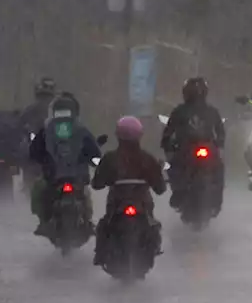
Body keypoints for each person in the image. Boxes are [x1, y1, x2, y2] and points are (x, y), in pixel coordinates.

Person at [92, 116, 167, 266]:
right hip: (142, 203)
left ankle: (100, 256)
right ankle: (154, 248)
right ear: (140, 135)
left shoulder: (110, 158)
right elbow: (160, 188)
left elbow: (97, 184)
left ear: (118, 135)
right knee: (152, 225)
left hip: (117, 203)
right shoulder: (147, 158)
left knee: (104, 226)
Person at [27, 93, 100, 237]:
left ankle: (43, 222)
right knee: (85, 195)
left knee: (39, 190)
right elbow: (94, 151)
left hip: (54, 177)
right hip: (75, 177)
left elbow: (34, 152)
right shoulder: (81, 130)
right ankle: (88, 221)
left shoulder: (46, 130)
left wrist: (39, 160)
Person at [160, 77, 226, 212]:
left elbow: (168, 132)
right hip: (196, 148)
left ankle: (179, 194)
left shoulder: (180, 111)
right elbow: (220, 132)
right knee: (218, 169)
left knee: (174, 167)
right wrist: (219, 143)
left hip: (189, 149)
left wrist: (167, 144)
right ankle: (216, 200)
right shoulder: (210, 111)